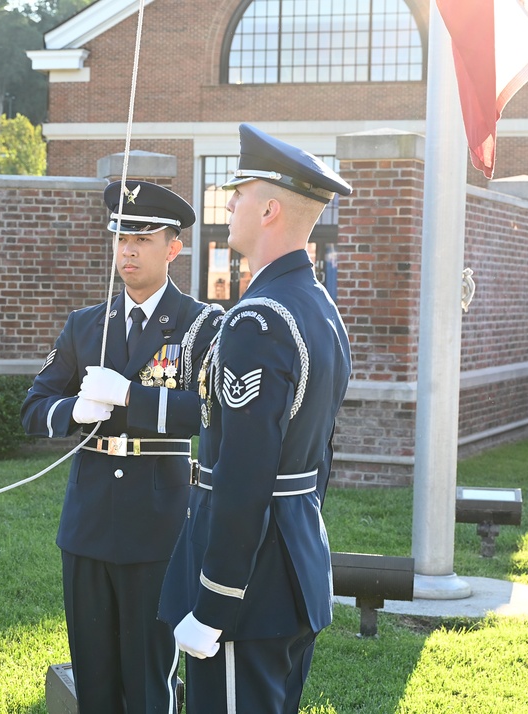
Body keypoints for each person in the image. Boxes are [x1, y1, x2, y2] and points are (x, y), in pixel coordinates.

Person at [158, 123, 353, 713]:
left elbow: (243, 473)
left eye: (238, 192)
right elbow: (320, 456)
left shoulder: (256, 322)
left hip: (247, 586)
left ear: (270, 208)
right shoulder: (318, 308)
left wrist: (215, 603)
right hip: (294, 562)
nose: (229, 202)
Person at [21, 180, 223, 714]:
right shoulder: (87, 325)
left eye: (142, 238)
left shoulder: (202, 326)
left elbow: (210, 414)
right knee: (95, 683)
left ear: (172, 248)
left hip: (158, 526)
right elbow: (33, 406)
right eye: (120, 238)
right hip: (88, 524)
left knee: (148, 681)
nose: (127, 250)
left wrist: (131, 398)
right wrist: (71, 412)